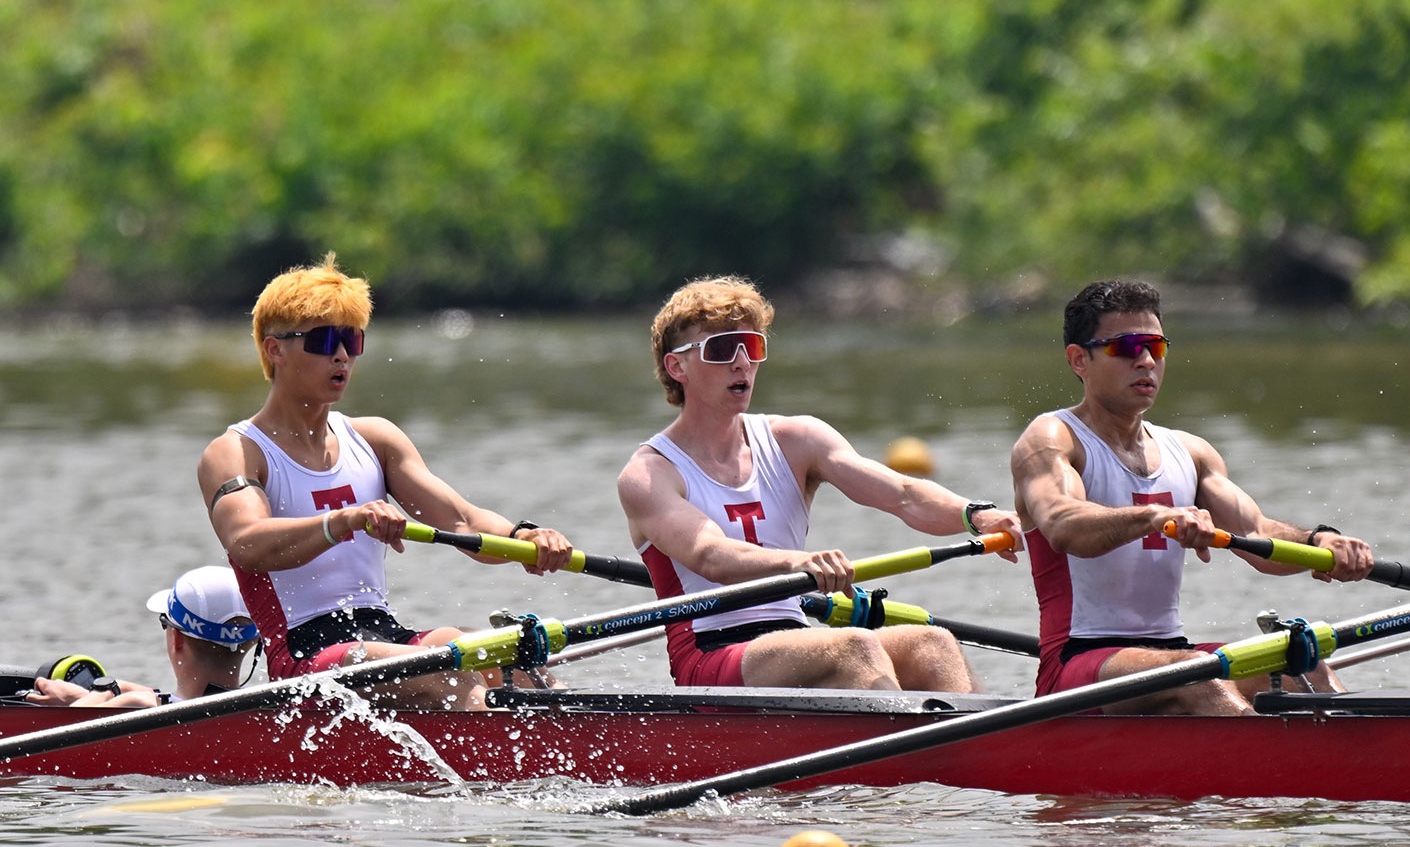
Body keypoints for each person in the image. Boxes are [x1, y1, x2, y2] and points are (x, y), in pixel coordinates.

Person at [196, 254, 576, 711]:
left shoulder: (374, 439)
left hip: (381, 634)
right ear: (274, 350)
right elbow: (247, 543)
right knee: (446, 671)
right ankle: (499, 779)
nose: (340, 355)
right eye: (322, 340)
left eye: (351, 340)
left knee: (513, 661)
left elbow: (461, 520)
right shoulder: (237, 451)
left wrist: (522, 537)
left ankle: (574, 768)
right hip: (305, 655)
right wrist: (343, 521)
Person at [616, 276, 1024, 692]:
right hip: (710, 653)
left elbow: (902, 495)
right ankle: (915, 751)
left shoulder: (797, 440)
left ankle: (978, 755)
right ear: (677, 366)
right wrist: (799, 562)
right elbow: (711, 557)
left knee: (933, 643)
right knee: (854, 647)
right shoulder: (650, 474)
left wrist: (975, 515)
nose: (741, 363)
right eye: (721, 349)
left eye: (752, 346)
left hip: (796, 635)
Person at [1009, 279, 1377, 716]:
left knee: (1306, 670)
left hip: (1170, 655)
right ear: (1078, 359)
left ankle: (1362, 769)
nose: (1145, 361)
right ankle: (1266, 778)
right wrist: (1151, 517)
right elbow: (1063, 525)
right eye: (1125, 347)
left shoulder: (1190, 452)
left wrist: (1319, 541)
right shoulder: (1052, 438)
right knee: (1200, 673)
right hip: (1077, 663)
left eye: (1156, 347)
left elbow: (1258, 536)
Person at [26, 565, 259, 709]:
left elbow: (70, 735)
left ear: (176, 638)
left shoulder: (138, 704)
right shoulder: (263, 710)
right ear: (253, 643)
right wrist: (116, 690)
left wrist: (102, 693)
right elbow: (187, 702)